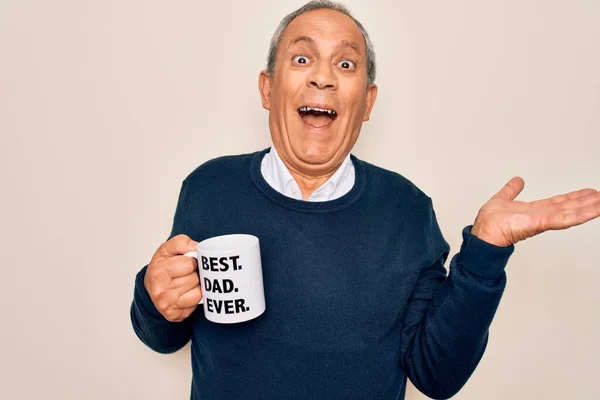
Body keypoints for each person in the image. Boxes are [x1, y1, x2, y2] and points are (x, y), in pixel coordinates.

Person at [130, 1, 600, 399]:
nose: (323, 79)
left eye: (346, 64)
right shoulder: (209, 187)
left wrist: (485, 252)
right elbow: (164, 333)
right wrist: (154, 300)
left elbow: (437, 376)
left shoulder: (408, 210)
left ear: (368, 101)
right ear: (267, 89)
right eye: (301, 60)